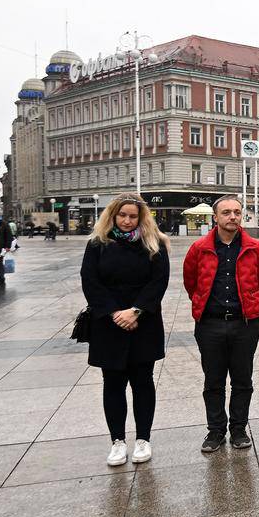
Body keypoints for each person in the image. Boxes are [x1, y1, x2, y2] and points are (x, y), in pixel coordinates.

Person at [81, 194, 170, 467]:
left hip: (143, 321)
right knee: (113, 383)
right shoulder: (98, 244)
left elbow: (159, 281)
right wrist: (113, 312)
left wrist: (136, 311)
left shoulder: (154, 244)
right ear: (113, 216)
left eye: (133, 216)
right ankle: (117, 441)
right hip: (109, 323)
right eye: (123, 215)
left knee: (143, 382)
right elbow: (90, 280)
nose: (128, 221)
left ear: (141, 218)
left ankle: (143, 438)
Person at [182, 195, 259, 452]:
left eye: (236, 212)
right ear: (216, 217)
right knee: (213, 381)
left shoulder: (254, 246)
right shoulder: (200, 247)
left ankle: (239, 428)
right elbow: (191, 281)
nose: (232, 217)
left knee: (243, 379)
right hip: (209, 325)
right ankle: (215, 430)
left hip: (244, 324)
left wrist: (250, 301)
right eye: (226, 213)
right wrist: (203, 303)